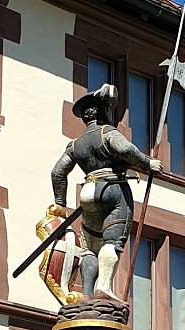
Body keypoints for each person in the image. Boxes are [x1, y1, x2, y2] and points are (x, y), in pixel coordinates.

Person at [49, 84, 162, 302]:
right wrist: (148, 163)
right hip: (112, 188)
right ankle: (104, 287)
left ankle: (87, 293)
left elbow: (57, 172)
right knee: (113, 241)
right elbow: (125, 150)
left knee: (90, 247)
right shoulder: (107, 132)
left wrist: (60, 203)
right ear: (102, 112)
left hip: (88, 192)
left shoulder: (75, 144)